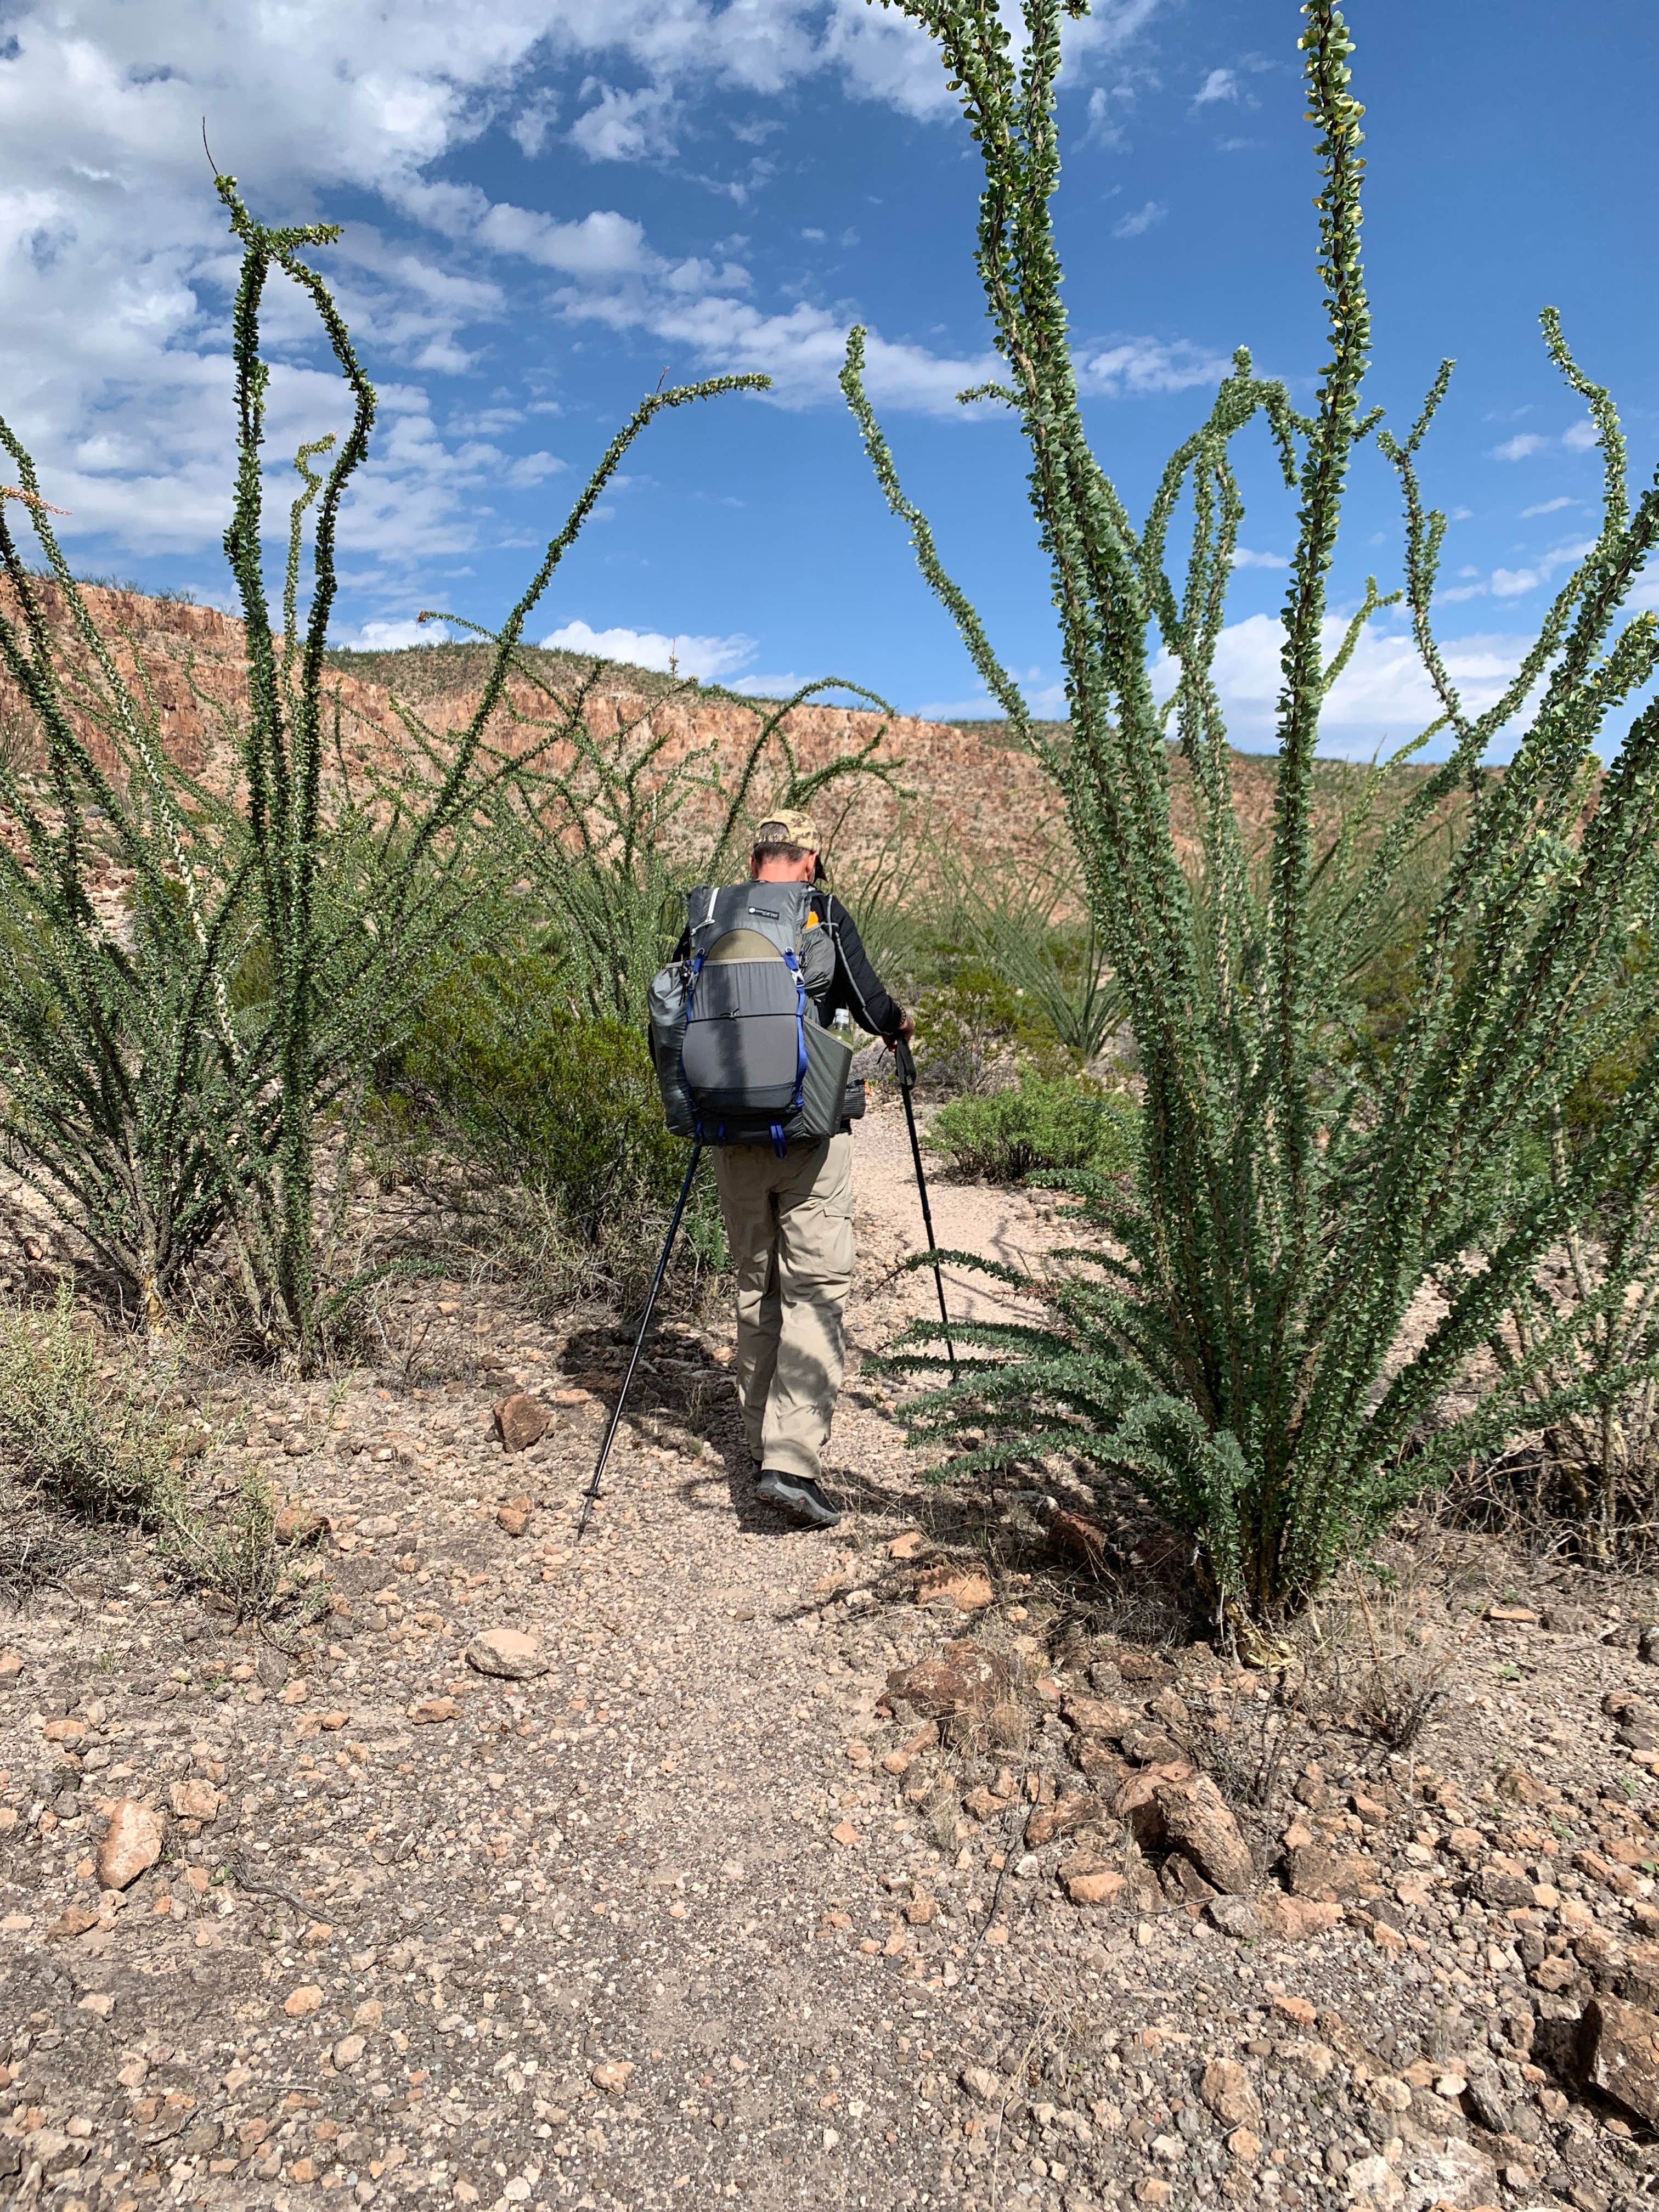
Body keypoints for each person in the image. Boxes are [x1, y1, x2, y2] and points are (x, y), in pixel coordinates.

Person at [706, 808, 913, 1530]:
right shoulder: (821, 912)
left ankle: (762, 1441)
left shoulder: (711, 914)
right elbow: (870, 1000)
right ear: (811, 858)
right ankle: (789, 1464)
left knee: (754, 1286)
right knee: (814, 1290)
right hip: (809, 1133)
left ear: (759, 856)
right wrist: (899, 1025)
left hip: (731, 1135)